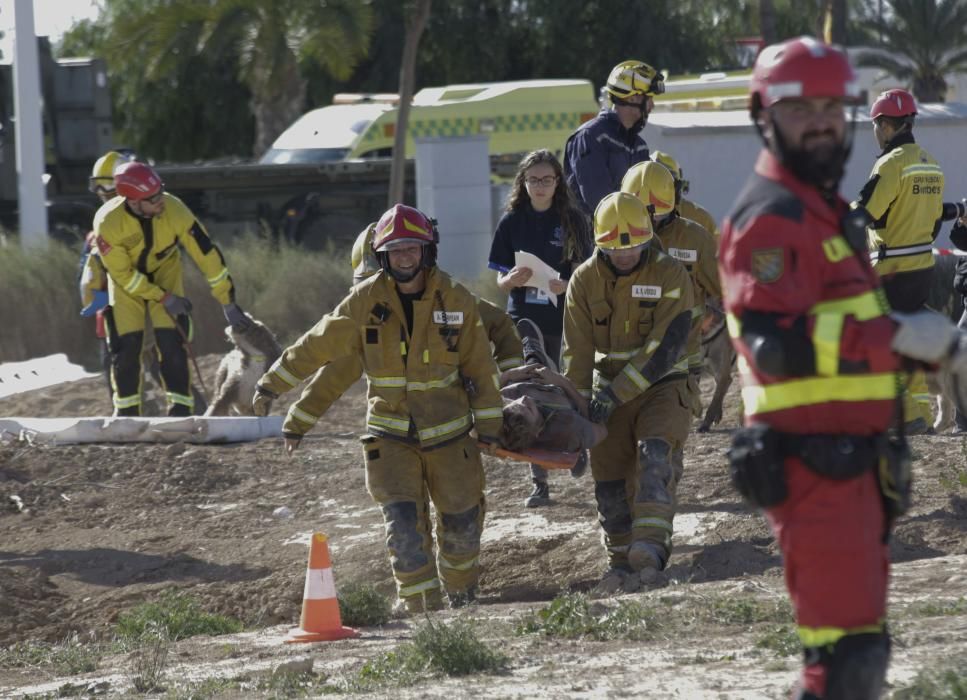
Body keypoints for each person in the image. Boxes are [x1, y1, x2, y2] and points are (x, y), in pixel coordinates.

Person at [719, 36, 967, 699]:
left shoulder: (823, 210)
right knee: (844, 665)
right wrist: (894, 335)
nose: (822, 120)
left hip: (855, 464)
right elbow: (773, 342)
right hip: (811, 466)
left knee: (854, 654)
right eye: (801, 108)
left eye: (834, 106)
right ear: (762, 114)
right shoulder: (771, 217)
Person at [253, 204, 504, 614]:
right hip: (390, 441)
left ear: (427, 252)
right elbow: (318, 347)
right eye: (396, 250)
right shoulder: (365, 301)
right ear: (382, 256)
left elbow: (480, 365)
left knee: (462, 527)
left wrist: (491, 425)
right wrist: (273, 384)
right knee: (404, 530)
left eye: (412, 249)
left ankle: (462, 599)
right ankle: (421, 610)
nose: (405, 257)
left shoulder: (456, 299)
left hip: (451, 438)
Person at [275, 222, 522, 451]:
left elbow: (501, 325)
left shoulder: (452, 302)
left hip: (449, 431)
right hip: (399, 439)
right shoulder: (367, 312)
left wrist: (507, 383)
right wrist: (298, 422)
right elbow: (336, 373)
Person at [562, 191, 693, 595]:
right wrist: (577, 417)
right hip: (606, 392)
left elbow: (662, 349)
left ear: (647, 238)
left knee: (656, 456)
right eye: (615, 248)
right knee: (609, 480)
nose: (625, 255)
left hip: (664, 385)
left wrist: (613, 395)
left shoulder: (671, 275)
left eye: (634, 246)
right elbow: (577, 354)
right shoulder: (584, 280)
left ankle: (650, 549)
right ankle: (619, 561)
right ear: (599, 243)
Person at [94, 161, 250, 416]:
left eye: (161, 191)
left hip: (165, 273)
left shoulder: (174, 209)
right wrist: (162, 298)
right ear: (133, 202)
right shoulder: (107, 223)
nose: (160, 201)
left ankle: (181, 409)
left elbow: (206, 254)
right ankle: (127, 413)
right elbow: (123, 275)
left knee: (172, 344)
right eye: (152, 198)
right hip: (126, 286)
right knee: (126, 347)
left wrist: (228, 302)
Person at [489, 149, 592, 507]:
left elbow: (587, 269)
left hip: (565, 313)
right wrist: (509, 280)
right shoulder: (512, 222)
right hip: (523, 313)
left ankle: (579, 445)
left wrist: (569, 282)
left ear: (558, 182)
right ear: (523, 182)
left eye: (547, 179)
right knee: (528, 388)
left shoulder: (574, 220)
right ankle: (539, 480)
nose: (540, 186)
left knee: (566, 382)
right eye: (533, 179)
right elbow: (499, 279)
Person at [851, 88, 945, 432]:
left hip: (891, 269)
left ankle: (899, 415)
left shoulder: (890, 164)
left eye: (876, 127)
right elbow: (934, 224)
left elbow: (866, 211)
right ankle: (917, 412)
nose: (876, 134)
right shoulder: (930, 163)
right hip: (922, 267)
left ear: (886, 126)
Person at [620, 160, 721, 471]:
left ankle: (666, 469)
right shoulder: (618, 242)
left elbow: (723, 288)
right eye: (642, 212)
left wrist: (709, 319)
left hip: (681, 353)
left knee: (669, 425)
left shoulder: (696, 238)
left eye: (656, 212)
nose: (650, 220)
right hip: (630, 351)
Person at [564, 60, 664, 216]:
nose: (652, 105)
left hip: (631, 235)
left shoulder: (640, 146)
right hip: (592, 238)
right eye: (649, 98)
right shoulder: (591, 136)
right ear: (632, 98)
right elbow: (600, 201)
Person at [79, 151, 130, 400]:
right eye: (98, 187)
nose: (102, 193)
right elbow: (86, 280)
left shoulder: (149, 226)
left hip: (144, 317)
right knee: (116, 379)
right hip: (109, 320)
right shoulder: (94, 235)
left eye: (107, 187)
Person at [649, 150, 719, 238]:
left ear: (677, 188)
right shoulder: (629, 213)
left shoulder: (701, 219)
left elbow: (718, 249)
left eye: (665, 184)